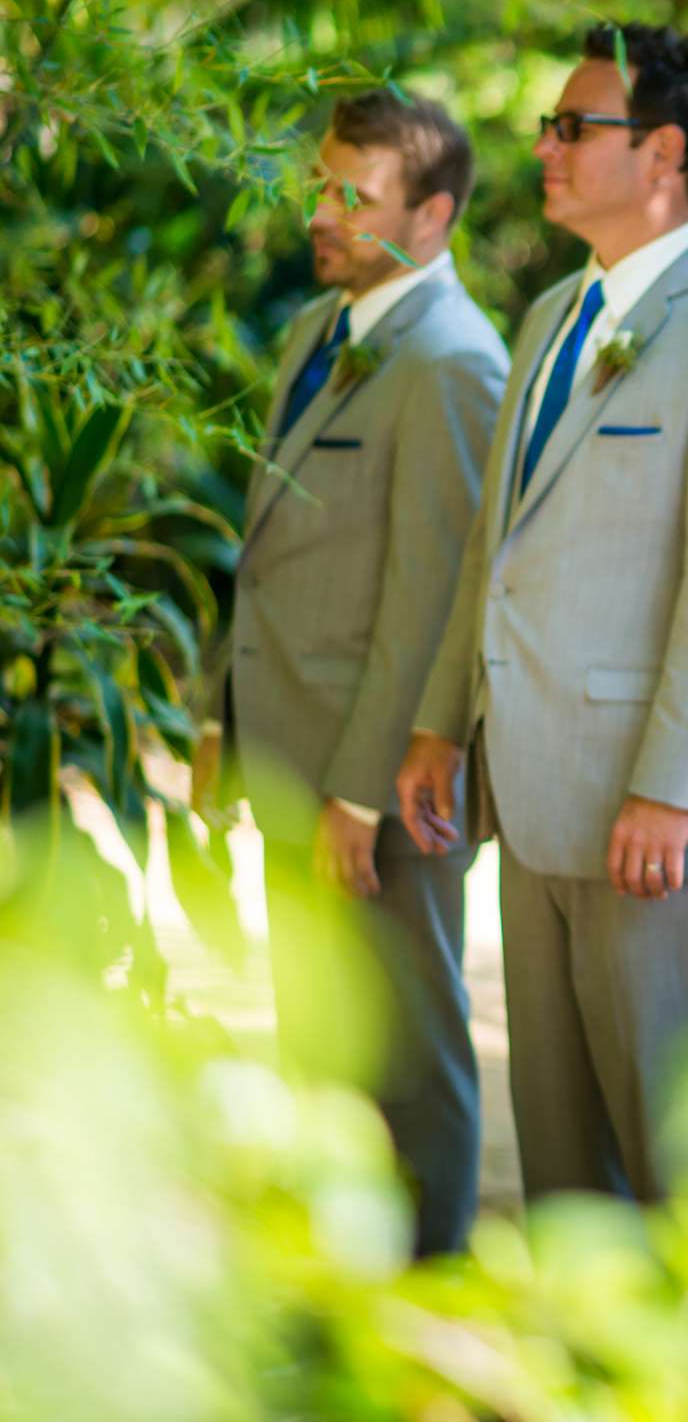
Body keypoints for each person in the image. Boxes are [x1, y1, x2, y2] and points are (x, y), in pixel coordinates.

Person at [395, 23, 688, 1203]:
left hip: (649, 820)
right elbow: (495, 548)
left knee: (683, 1162)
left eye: (574, 125)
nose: (545, 147)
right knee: (566, 1158)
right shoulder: (542, 322)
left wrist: (672, 781)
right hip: (529, 798)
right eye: (547, 125)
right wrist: (439, 723)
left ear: (663, 151)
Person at [196, 86, 505, 1257]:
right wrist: (221, 710)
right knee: (319, 1042)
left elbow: (434, 598)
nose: (319, 212)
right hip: (290, 750)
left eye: (351, 195)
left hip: (371, 786)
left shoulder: (452, 362)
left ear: (430, 216)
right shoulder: (318, 331)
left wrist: (365, 788)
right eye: (318, 185)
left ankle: (430, 1295)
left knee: (410, 1052)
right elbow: (274, 546)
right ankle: (339, 1289)